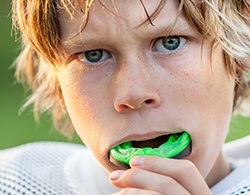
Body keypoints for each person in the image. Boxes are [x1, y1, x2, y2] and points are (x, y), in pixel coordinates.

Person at [1, 0, 250, 194]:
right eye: (94, 55)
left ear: (240, 45)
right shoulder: (14, 181)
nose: (134, 94)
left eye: (170, 42)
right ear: (55, 77)